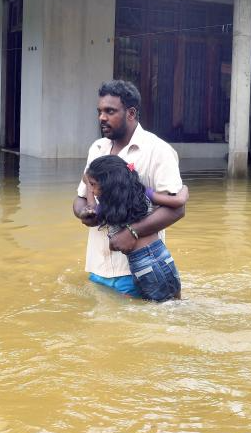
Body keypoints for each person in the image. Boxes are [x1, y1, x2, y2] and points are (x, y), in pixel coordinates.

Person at [71, 80, 185, 297]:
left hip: (138, 270)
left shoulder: (158, 151)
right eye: (100, 111)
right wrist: (84, 213)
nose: (101, 117)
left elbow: (177, 209)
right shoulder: (97, 148)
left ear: (131, 113)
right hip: (97, 267)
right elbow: (80, 197)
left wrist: (132, 232)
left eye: (110, 111)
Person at [82, 155, 187, 301]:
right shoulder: (144, 194)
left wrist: (87, 185)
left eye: (93, 185)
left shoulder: (107, 209)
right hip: (164, 257)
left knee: (159, 312)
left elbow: (91, 208)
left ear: (107, 185)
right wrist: (184, 188)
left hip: (142, 265)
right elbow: (179, 201)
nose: (92, 190)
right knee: (175, 305)